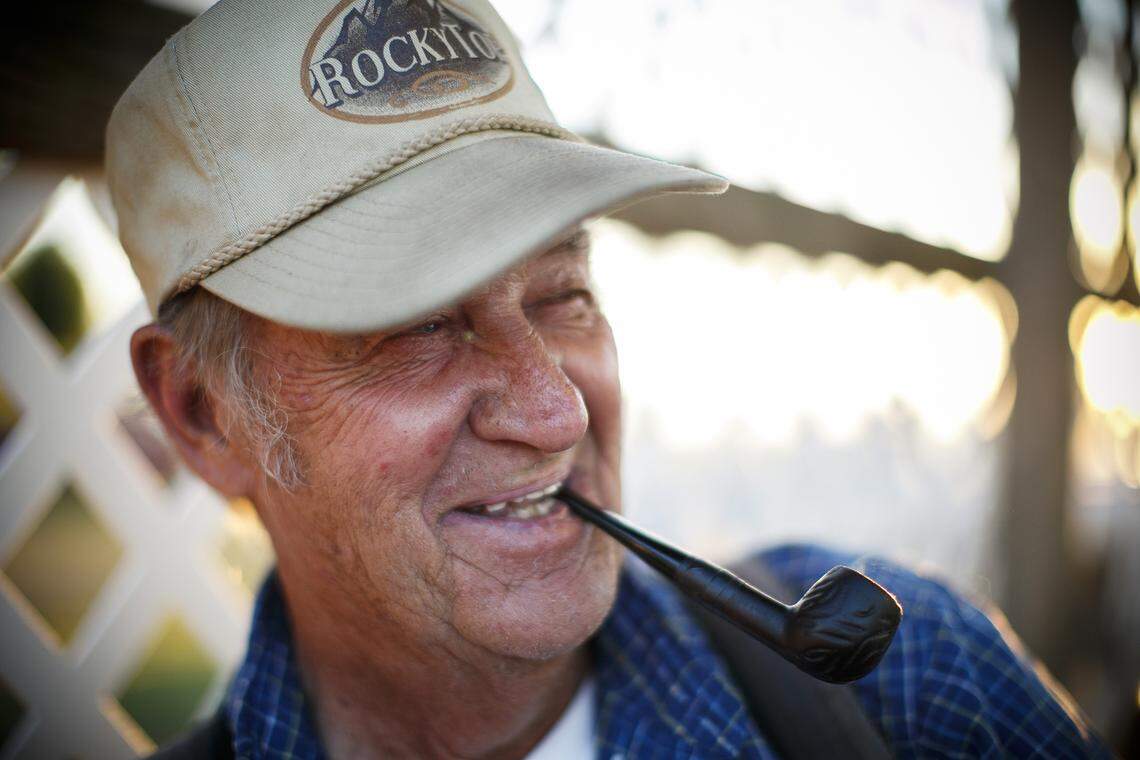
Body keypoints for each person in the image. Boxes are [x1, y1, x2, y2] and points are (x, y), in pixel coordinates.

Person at [106, 0, 1110, 757]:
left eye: (565, 292)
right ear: (204, 414)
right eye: (415, 325)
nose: (556, 412)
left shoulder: (909, 685)